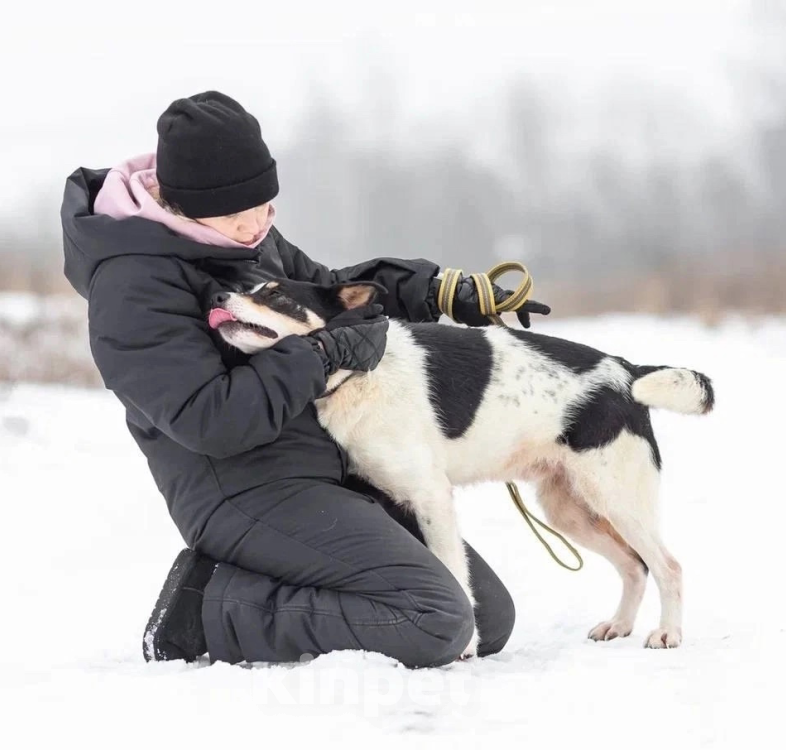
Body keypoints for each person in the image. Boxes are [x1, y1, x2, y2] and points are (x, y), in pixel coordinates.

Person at [60, 91, 550, 668]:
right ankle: (210, 606)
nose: (256, 224)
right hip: (240, 488)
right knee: (436, 619)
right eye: (237, 213)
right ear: (184, 204)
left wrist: (432, 289)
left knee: (487, 619)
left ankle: (280, 583)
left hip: (327, 465)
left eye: (266, 205)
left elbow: (328, 298)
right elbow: (209, 419)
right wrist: (317, 357)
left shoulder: (245, 235)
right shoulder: (133, 286)